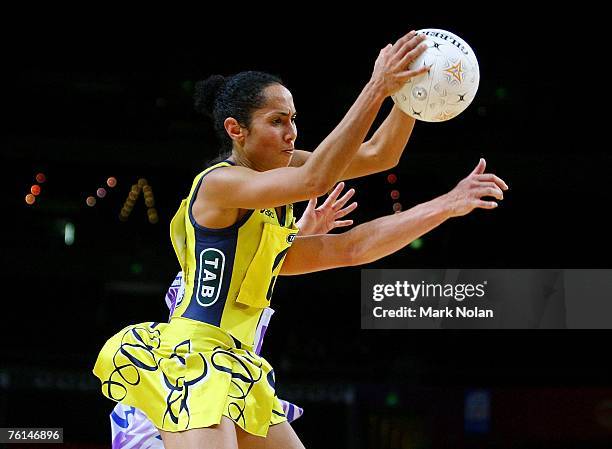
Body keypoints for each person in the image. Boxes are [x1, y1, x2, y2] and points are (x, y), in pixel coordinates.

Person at [93, 30, 508, 449]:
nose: (291, 133)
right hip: (192, 359)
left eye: (293, 119)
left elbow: (374, 179)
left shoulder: (273, 207)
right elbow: (317, 179)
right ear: (236, 130)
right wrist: (377, 86)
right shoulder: (221, 184)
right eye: (276, 122)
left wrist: (414, 95)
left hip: (237, 365)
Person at [109, 183, 357, 449]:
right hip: (183, 388)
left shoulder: (249, 273)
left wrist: (300, 233)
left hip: (230, 387)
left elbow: (264, 260)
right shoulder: (200, 276)